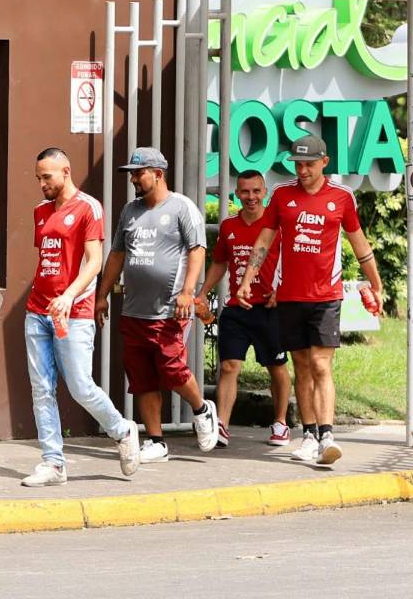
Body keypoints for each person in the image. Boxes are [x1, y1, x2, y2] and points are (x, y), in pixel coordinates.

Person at [236, 135, 383, 466]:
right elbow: (263, 241)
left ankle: (328, 435)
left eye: (309, 165)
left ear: (324, 162)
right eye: (298, 165)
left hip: (326, 296)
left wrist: (376, 283)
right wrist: (248, 280)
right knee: (301, 366)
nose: (302, 171)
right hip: (289, 295)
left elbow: (359, 243)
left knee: (320, 364)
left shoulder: (342, 198)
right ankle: (309, 435)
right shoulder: (283, 196)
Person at [20, 148, 141, 487]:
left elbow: (94, 261)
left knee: (80, 387)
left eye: (47, 177)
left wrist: (69, 295)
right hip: (37, 311)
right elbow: (49, 260)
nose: (42, 184)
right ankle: (53, 462)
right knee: (41, 387)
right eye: (38, 178)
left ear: (66, 171)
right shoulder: (41, 211)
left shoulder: (89, 208)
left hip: (74, 313)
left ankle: (122, 429)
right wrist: (49, 298)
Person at [96, 146, 218, 463]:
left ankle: (202, 409)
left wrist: (188, 291)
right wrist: (101, 295)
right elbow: (117, 255)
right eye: (132, 173)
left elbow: (198, 250)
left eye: (139, 173)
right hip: (134, 310)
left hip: (169, 309)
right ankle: (157, 441)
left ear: (158, 174)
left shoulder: (182, 208)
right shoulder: (130, 212)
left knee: (173, 369)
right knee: (142, 379)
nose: (134, 179)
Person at [195, 170, 292, 448]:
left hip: (270, 308)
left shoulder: (277, 225)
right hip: (237, 308)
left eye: (256, 191)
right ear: (236, 194)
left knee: (276, 366)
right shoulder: (228, 226)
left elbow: (294, 260)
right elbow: (220, 263)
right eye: (245, 192)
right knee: (228, 366)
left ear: (265, 193)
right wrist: (202, 292)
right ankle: (222, 425)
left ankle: (281, 422)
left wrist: (281, 290)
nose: (250, 197)